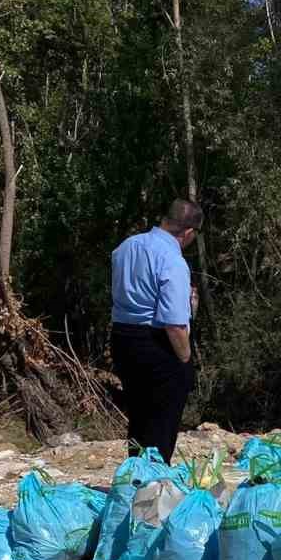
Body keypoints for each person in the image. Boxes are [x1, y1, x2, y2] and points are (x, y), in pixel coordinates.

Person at [111, 198, 201, 462]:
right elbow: (174, 323)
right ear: (188, 233)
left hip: (122, 337)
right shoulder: (172, 260)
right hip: (155, 342)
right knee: (162, 421)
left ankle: (136, 476)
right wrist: (185, 361)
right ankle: (153, 486)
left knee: (138, 417)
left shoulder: (126, 247)